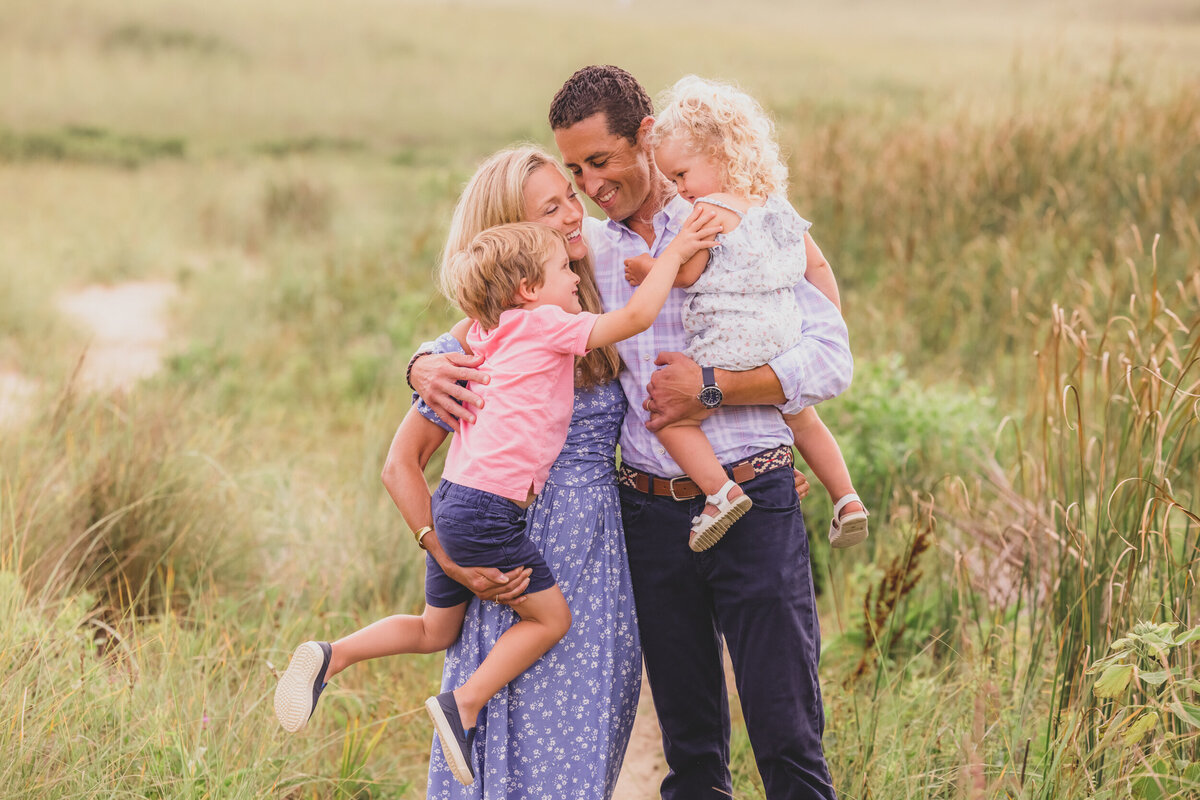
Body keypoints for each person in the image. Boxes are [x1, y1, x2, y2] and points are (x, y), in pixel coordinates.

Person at [414, 65, 852, 799]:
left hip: (755, 493)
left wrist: (712, 391)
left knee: (787, 735)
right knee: (691, 749)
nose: (588, 184)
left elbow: (829, 356)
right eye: (576, 169)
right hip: (649, 516)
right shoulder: (580, 250)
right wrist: (424, 361)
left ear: (646, 138)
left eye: (600, 161)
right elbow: (503, 306)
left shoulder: (740, 218)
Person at [276, 164, 719, 785]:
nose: (573, 214)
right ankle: (439, 697)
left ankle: (336, 656)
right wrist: (444, 551)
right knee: (508, 753)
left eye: (572, 198)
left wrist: (749, 464)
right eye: (550, 209)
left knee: (587, 749)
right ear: (516, 254)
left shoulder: (583, 292)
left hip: (594, 560)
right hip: (509, 552)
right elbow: (400, 463)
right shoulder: (493, 334)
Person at [621, 75, 869, 552]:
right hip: (781, 338)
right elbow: (816, 265)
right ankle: (847, 498)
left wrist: (648, 268)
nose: (677, 188)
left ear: (717, 156)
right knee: (803, 419)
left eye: (681, 175)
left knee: (670, 418)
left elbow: (688, 270)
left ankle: (719, 493)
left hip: (728, 343)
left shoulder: (708, 210)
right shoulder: (774, 206)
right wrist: (825, 325)